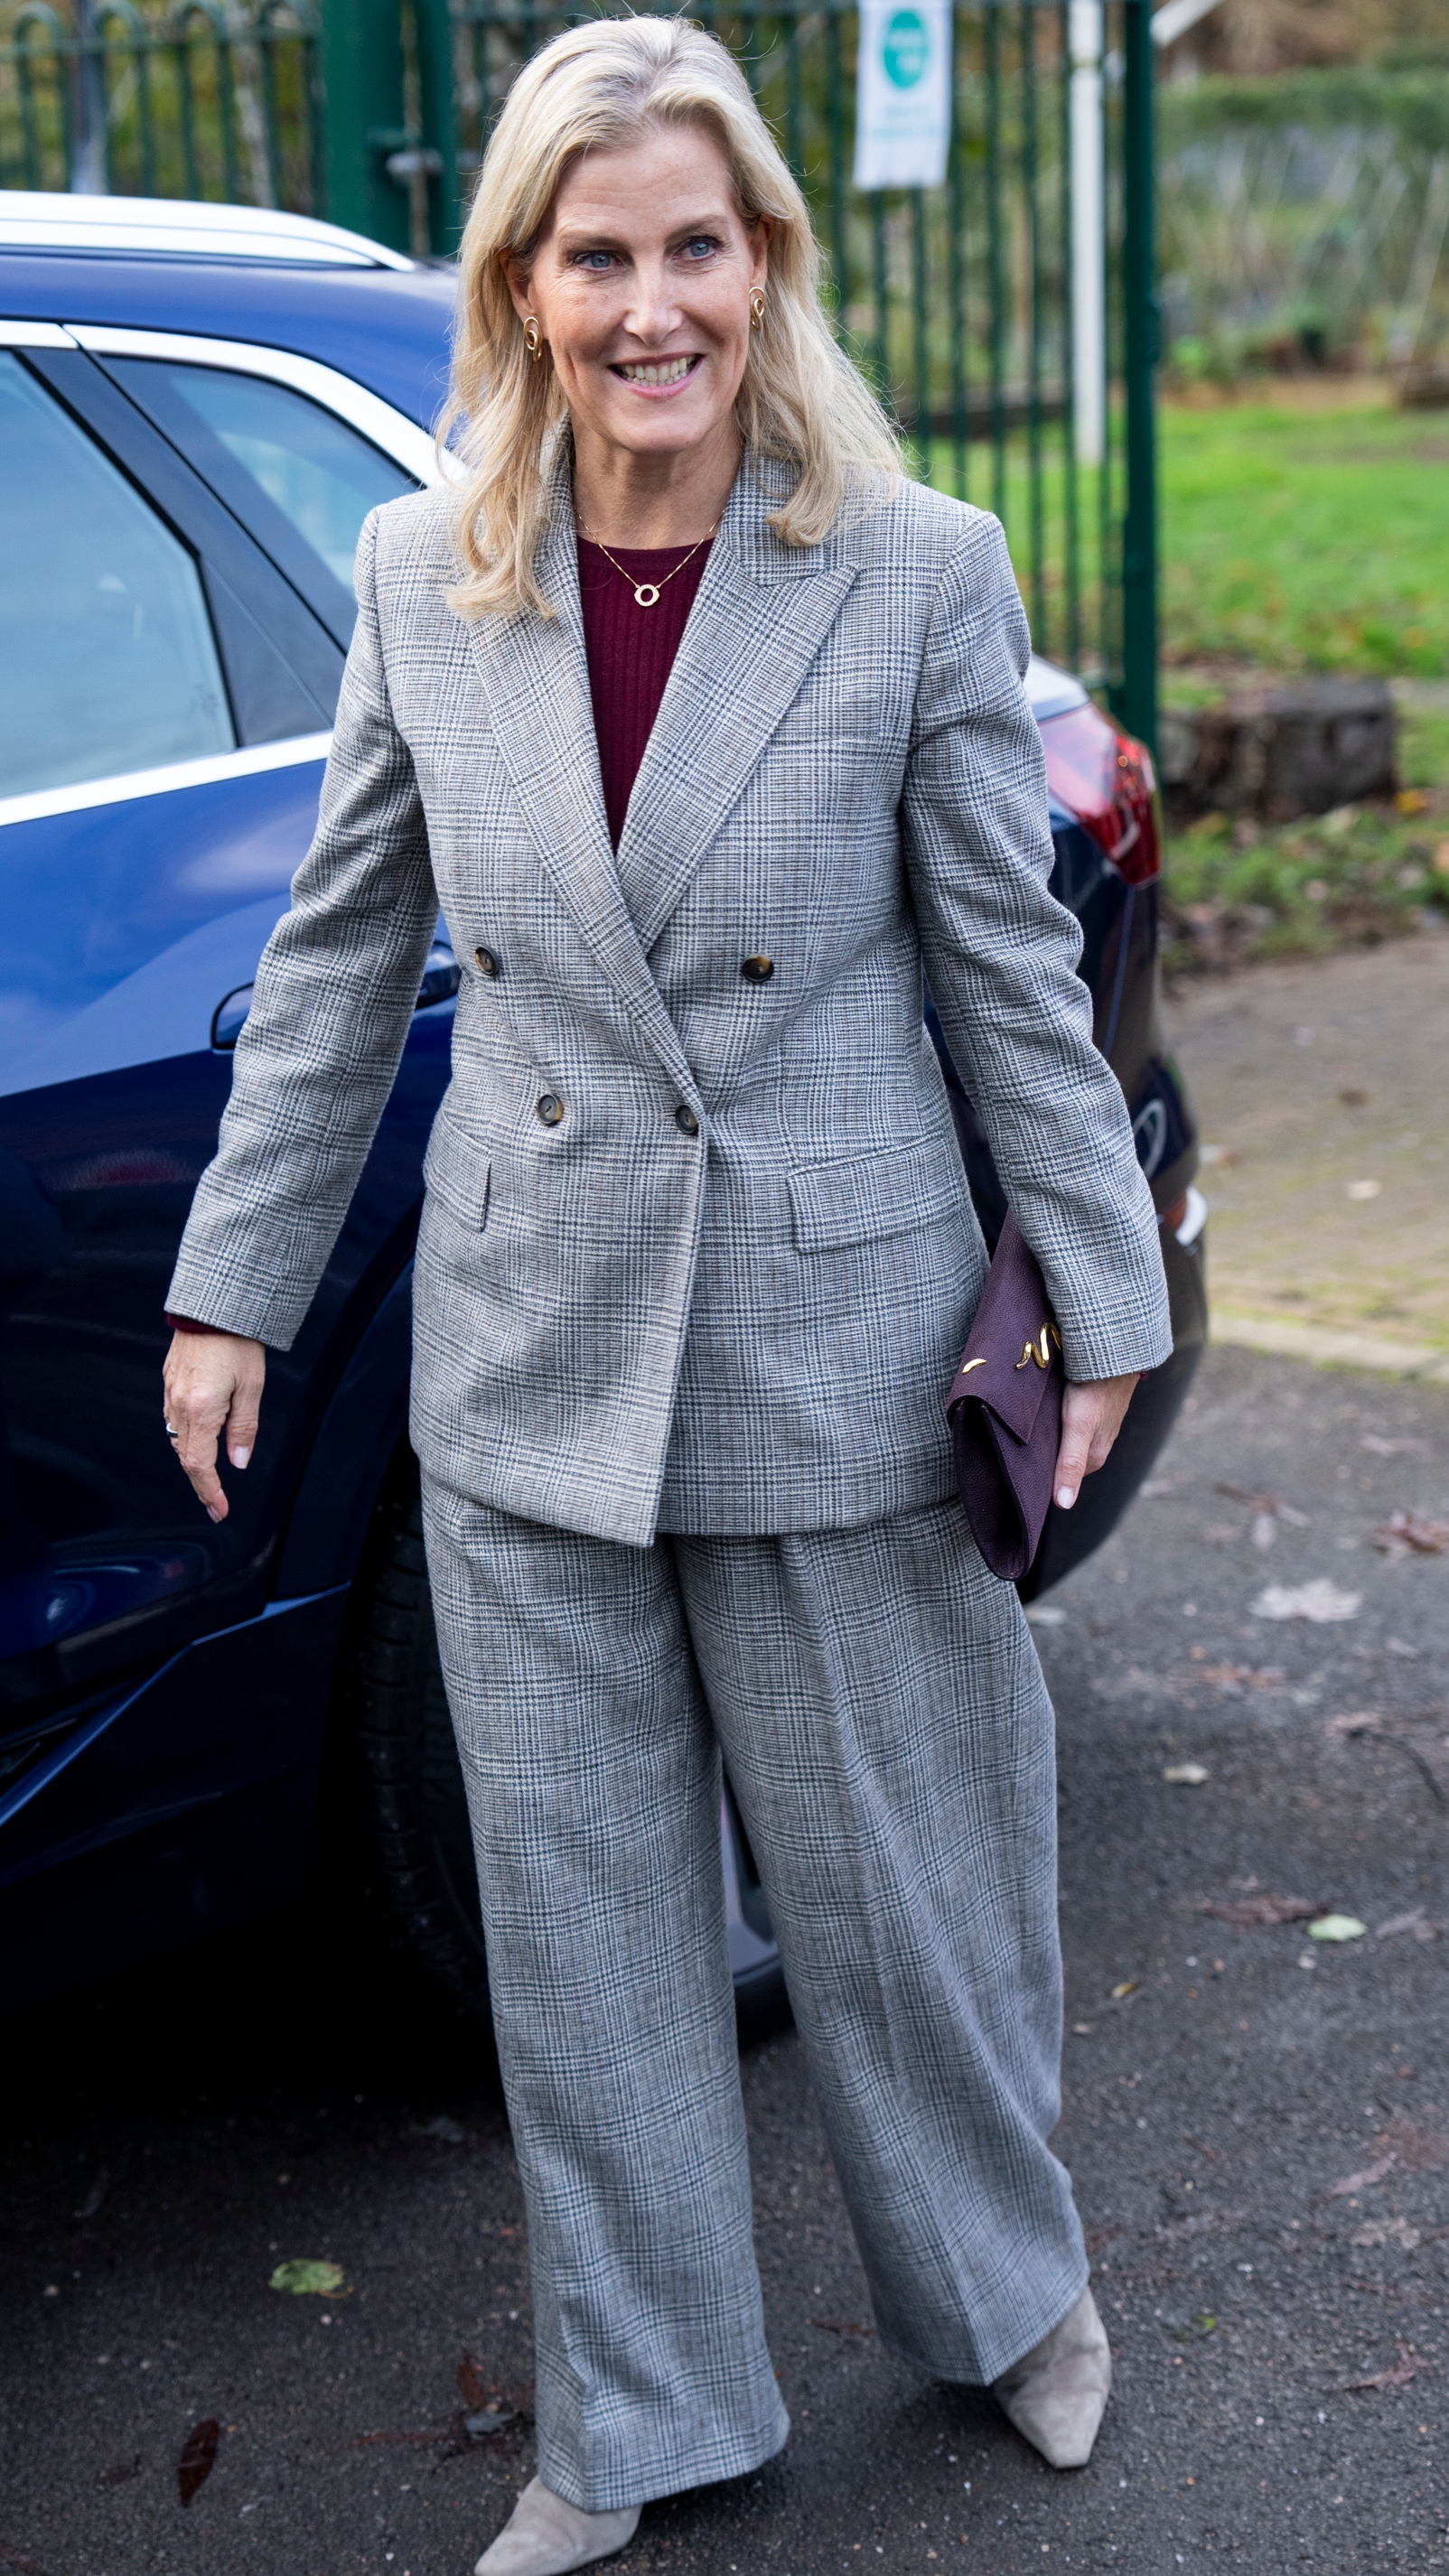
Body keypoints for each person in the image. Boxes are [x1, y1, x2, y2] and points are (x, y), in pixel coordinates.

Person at [161, 18, 1171, 2573]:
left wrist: (1095, 1283)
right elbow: (333, 954)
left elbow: (1000, 966)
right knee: (586, 1948)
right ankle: (635, 2423)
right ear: (520, 279)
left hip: (826, 1330)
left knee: (904, 1895)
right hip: (530, 1358)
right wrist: (234, 1287)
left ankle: (1003, 2300)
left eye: (692, 248)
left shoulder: (911, 565)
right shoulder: (428, 570)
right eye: (594, 253)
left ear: (763, 269)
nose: (648, 305)